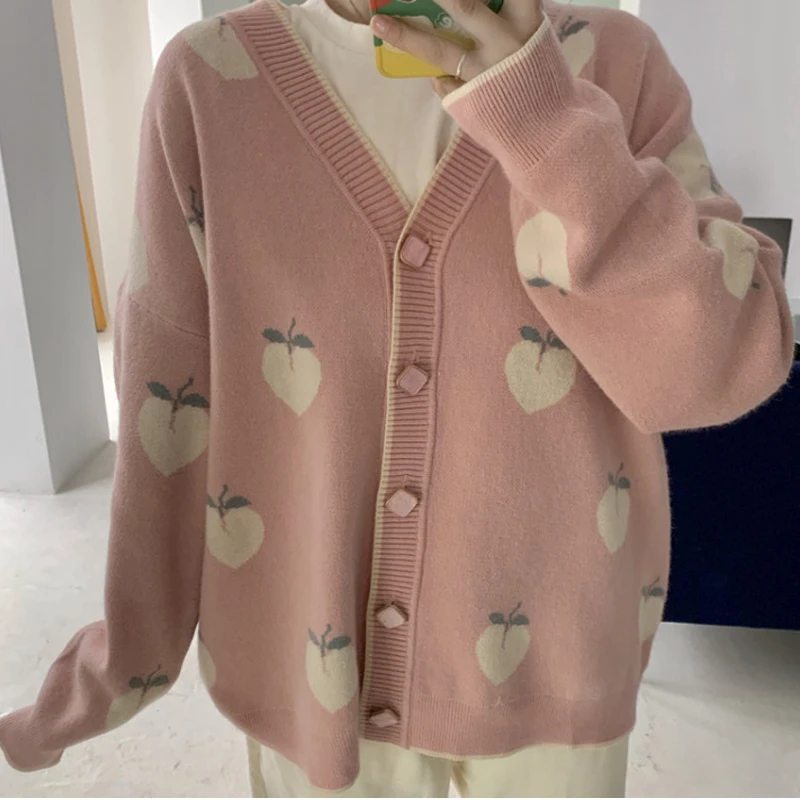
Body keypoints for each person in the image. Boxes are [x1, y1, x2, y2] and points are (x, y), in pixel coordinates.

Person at [0, 0, 793, 796]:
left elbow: (722, 363)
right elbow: (169, 395)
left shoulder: (615, 62)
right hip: (313, 668)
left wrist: (542, 117)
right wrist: (123, 657)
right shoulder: (207, 83)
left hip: (554, 666)